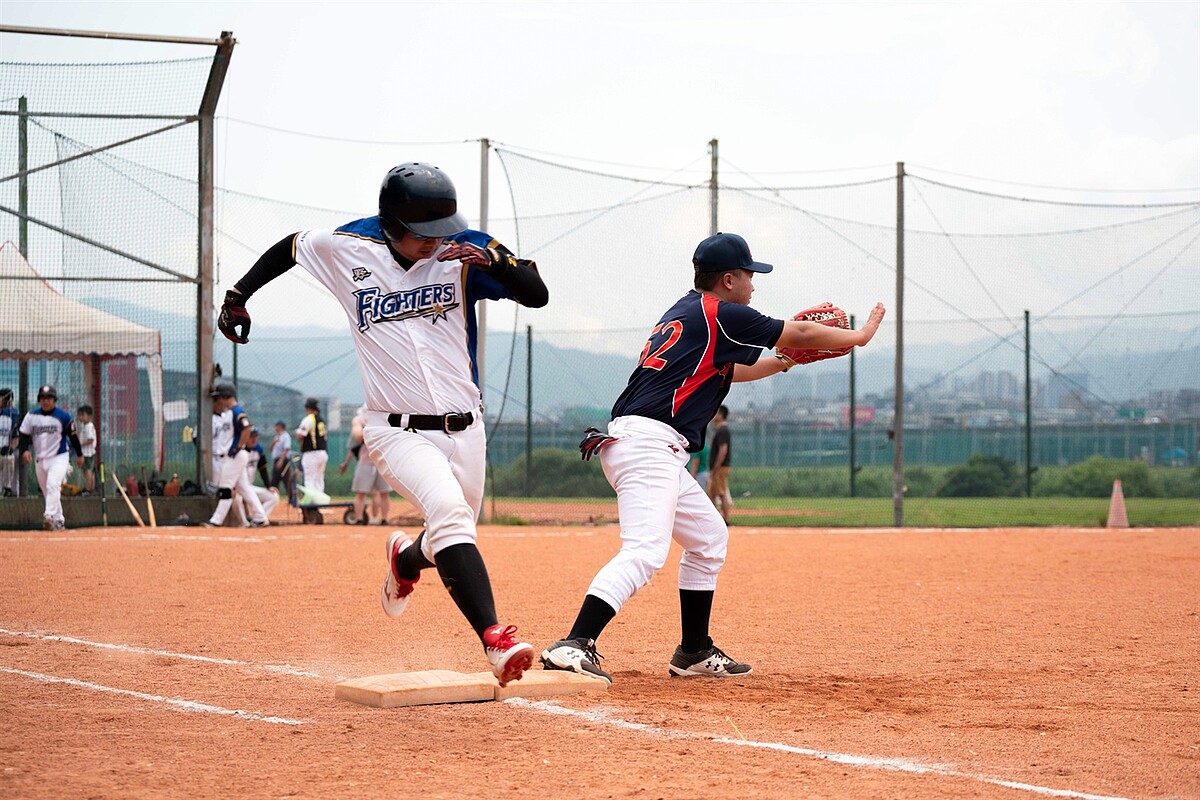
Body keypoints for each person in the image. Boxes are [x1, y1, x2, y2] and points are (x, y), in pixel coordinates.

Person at [215, 161, 549, 686]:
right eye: (424, 234)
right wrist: (238, 295)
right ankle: (495, 642)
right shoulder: (348, 248)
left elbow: (536, 293)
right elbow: (291, 245)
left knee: (448, 535)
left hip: (467, 429)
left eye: (443, 230)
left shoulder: (464, 252)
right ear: (391, 224)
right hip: (396, 430)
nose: (436, 243)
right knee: (450, 517)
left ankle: (406, 562)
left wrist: (497, 262)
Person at [540, 232, 885, 684]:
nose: (753, 286)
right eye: (749, 276)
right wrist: (857, 336)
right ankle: (574, 643)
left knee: (708, 539)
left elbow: (731, 371)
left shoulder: (688, 313)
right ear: (728, 280)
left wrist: (786, 362)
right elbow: (797, 331)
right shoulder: (719, 312)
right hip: (648, 446)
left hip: (650, 445)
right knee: (645, 551)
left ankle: (694, 651)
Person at [17, 384, 83, 531]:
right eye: (43, 398)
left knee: (53, 485)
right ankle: (59, 521)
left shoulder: (64, 416)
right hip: (40, 459)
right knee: (49, 492)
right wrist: (24, 451)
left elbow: (73, 437)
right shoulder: (31, 416)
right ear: (39, 400)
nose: (46, 401)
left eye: (49, 398)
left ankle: (48, 516)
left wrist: (79, 454)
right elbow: (23, 434)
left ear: (54, 400)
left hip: (59, 457)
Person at [203, 383, 269, 528]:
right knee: (244, 488)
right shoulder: (229, 413)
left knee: (226, 489)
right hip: (233, 456)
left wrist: (238, 446)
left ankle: (216, 521)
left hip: (234, 456)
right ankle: (260, 517)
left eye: (220, 397)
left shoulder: (237, 411)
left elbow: (246, 427)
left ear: (226, 396)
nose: (219, 400)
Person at [338, 405, 391, 525]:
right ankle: (359, 519)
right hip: (366, 461)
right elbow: (358, 436)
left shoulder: (384, 417)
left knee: (384, 492)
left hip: (382, 459)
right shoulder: (360, 419)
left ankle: (383, 519)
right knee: (361, 492)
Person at [242, 427, 280, 524]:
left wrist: (268, 486)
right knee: (236, 498)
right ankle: (243, 522)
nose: (254, 439)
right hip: (238, 489)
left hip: (249, 488)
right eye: (251, 437)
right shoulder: (239, 451)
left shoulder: (258, 450)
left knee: (273, 496)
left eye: (256, 437)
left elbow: (263, 470)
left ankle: (257, 519)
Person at [295, 397, 328, 495]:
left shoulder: (309, 418)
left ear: (307, 407)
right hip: (323, 453)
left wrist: (296, 433)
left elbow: (301, 435)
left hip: (311, 453)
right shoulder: (321, 420)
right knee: (319, 480)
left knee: (309, 480)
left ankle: (311, 507)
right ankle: (320, 504)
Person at [706, 405, 733, 522]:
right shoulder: (718, 429)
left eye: (716, 413)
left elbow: (723, 450)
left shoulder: (723, 430)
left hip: (720, 467)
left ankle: (726, 519)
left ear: (721, 415)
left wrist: (716, 466)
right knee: (711, 493)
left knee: (721, 493)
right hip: (717, 467)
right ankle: (715, 519)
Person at [0, 387, 19, 497]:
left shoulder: (11, 414)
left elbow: (16, 436)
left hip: (8, 450)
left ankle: (9, 491)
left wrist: (10, 448)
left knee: (14, 476)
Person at [268, 420, 293, 503]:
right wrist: (273, 442)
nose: (275, 428)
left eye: (277, 426)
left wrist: (281, 461)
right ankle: (272, 498)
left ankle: (291, 499)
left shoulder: (286, 436)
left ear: (280, 427)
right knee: (274, 480)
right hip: (276, 460)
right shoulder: (276, 437)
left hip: (283, 460)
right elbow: (270, 449)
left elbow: (286, 449)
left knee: (286, 479)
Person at [75, 404, 97, 495]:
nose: (80, 417)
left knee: (88, 470)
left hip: (87, 453)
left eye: (82, 415)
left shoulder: (88, 426)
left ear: (89, 416)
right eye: (79, 415)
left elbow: (90, 440)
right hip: (87, 452)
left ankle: (89, 489)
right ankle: (90, 488)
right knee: (87, 470)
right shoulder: (86, 426)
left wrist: (80, 444)